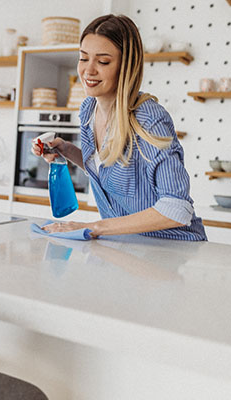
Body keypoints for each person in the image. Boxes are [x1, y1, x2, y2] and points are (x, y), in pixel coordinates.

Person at [32, 14, 206, 241]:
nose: (88, 70)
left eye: (103, 61)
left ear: (126, 66)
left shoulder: (149, 118)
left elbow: (176, 209)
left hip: (171, 249)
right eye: (83, 58)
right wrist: (65, 149)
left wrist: (94, 227)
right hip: (127, 245)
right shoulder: (88, 110)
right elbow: (108, 171)